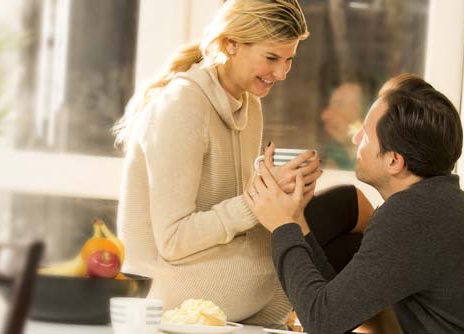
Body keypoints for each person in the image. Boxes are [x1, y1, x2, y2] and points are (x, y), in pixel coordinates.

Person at [244, 74, 464, 333]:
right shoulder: (434, 204)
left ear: (394, 161)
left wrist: (282, 225)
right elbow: (336, 308)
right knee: (347, 244)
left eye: (366, 134)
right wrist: (294, 219)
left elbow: (322, 322)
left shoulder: (413, 217)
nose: (355, 139)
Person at [112, 0, 321, 325]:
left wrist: (286, 196)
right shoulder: (182, 106)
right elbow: (173, 240)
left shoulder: (249, 103)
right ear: (231, 44)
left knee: (322, 224)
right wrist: (257, 202)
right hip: (166, 282)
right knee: (314, 238)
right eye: (271, 58)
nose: (281, 73)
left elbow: (234, 213)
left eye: (289, 60)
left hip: (215, 262)